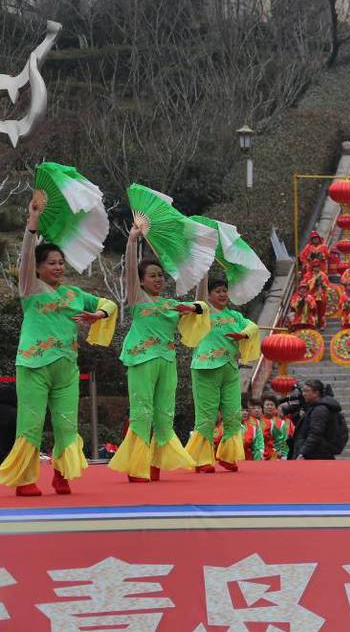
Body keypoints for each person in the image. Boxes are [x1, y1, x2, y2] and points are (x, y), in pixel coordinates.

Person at [0, 197, 118, 496]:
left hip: (66, 368)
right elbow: (25, 259)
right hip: (34, 366)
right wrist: (32, 225)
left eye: (61, 263)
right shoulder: (30, 288)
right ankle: (25, 479)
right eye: (51, 263)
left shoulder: (75, 294)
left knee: (67, 424)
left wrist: (98, 314)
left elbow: (110, 303)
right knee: (31, 423)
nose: (57, 267)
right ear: (38, 268)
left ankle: (62, 475)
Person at [108, 221, 208, 483]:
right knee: (142, 412)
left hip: (167, 359)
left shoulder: (171, 304)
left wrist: (196, 305)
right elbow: (129, 270)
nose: (158, 279)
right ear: (140, 281)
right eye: (152, 275)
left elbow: (201, 306)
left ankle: (155, 463)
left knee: (165, 413)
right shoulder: (137, 298)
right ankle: (136, 465)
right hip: (142, 358)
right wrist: (132, 241)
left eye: (161, 275)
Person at [185, 275, 259, 474]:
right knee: (207, 416)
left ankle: (228, 456)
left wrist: (243, 334)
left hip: (230, 369)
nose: (222, 294)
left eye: (224, 290)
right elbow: (197, 302)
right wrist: (203, 271)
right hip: (206, 368)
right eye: (217, 291)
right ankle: (201, 458)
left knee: (234, 414)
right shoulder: (204, 312)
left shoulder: (235, 316)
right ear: (208, 295)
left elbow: (252, 326)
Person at [292, 379, 345, 460]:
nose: (303, 394)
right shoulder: (317, 407)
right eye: (303, 391)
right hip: (320, 453)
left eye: (306, 391)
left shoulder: (320, 410)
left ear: (316, 393)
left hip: (316, 455)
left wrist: (303, 453)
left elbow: (315, 433)